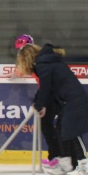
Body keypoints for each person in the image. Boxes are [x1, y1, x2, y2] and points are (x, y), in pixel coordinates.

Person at [15, 41, 88, 175]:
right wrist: (41, 104)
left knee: (73, 132)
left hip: (72, 100)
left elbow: (46, 87)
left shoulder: (43, 64)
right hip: (67, 100)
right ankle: (65, 166)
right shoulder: (49, 61)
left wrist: (39, 105)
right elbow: (50, 87)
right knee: (62, 129)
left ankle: (84, 167)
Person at [13, 33, 62, 165]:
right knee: (48, 125)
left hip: (52, 95)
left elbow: (46, 85)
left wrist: (41, 102)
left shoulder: (39, 63)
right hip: (50, 95)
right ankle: (57, 156)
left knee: (47, 125)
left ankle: (57, 157)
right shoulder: (38, 61)